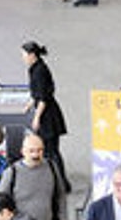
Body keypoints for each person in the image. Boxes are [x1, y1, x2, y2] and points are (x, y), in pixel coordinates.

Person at [21, 43, 69, 193]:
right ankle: (58, 182)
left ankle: (61, 184)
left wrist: (36, 117)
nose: (22, 58)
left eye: (24, 54)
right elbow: (37, 93)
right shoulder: (35, 68)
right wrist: (29, 104)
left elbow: (43, 98)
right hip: (47, 114)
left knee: (51, 151)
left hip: (48, 117)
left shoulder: (39, 71)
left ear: (32, 55)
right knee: (50, 151)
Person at [0, 133, 66, 220]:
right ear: (23, 151)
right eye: (31, 151)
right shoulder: (12, 172)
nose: (36, 155)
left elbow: (60, 195)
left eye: (39, 150)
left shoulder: (51, 167)